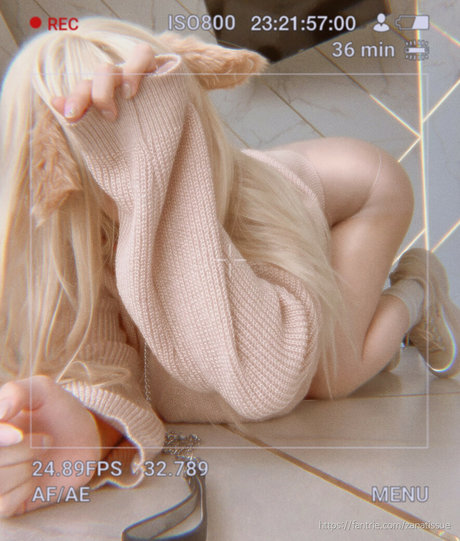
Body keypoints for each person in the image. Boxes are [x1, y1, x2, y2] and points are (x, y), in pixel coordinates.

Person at [0, 17, 458, 518]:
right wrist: (92, 423)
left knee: (331, 374)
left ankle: (420, 286)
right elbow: (110, 369)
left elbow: (266, 379)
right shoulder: (64, 239)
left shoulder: (246, 216)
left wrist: (155, 162)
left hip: (360, 191)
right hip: (250, 192)